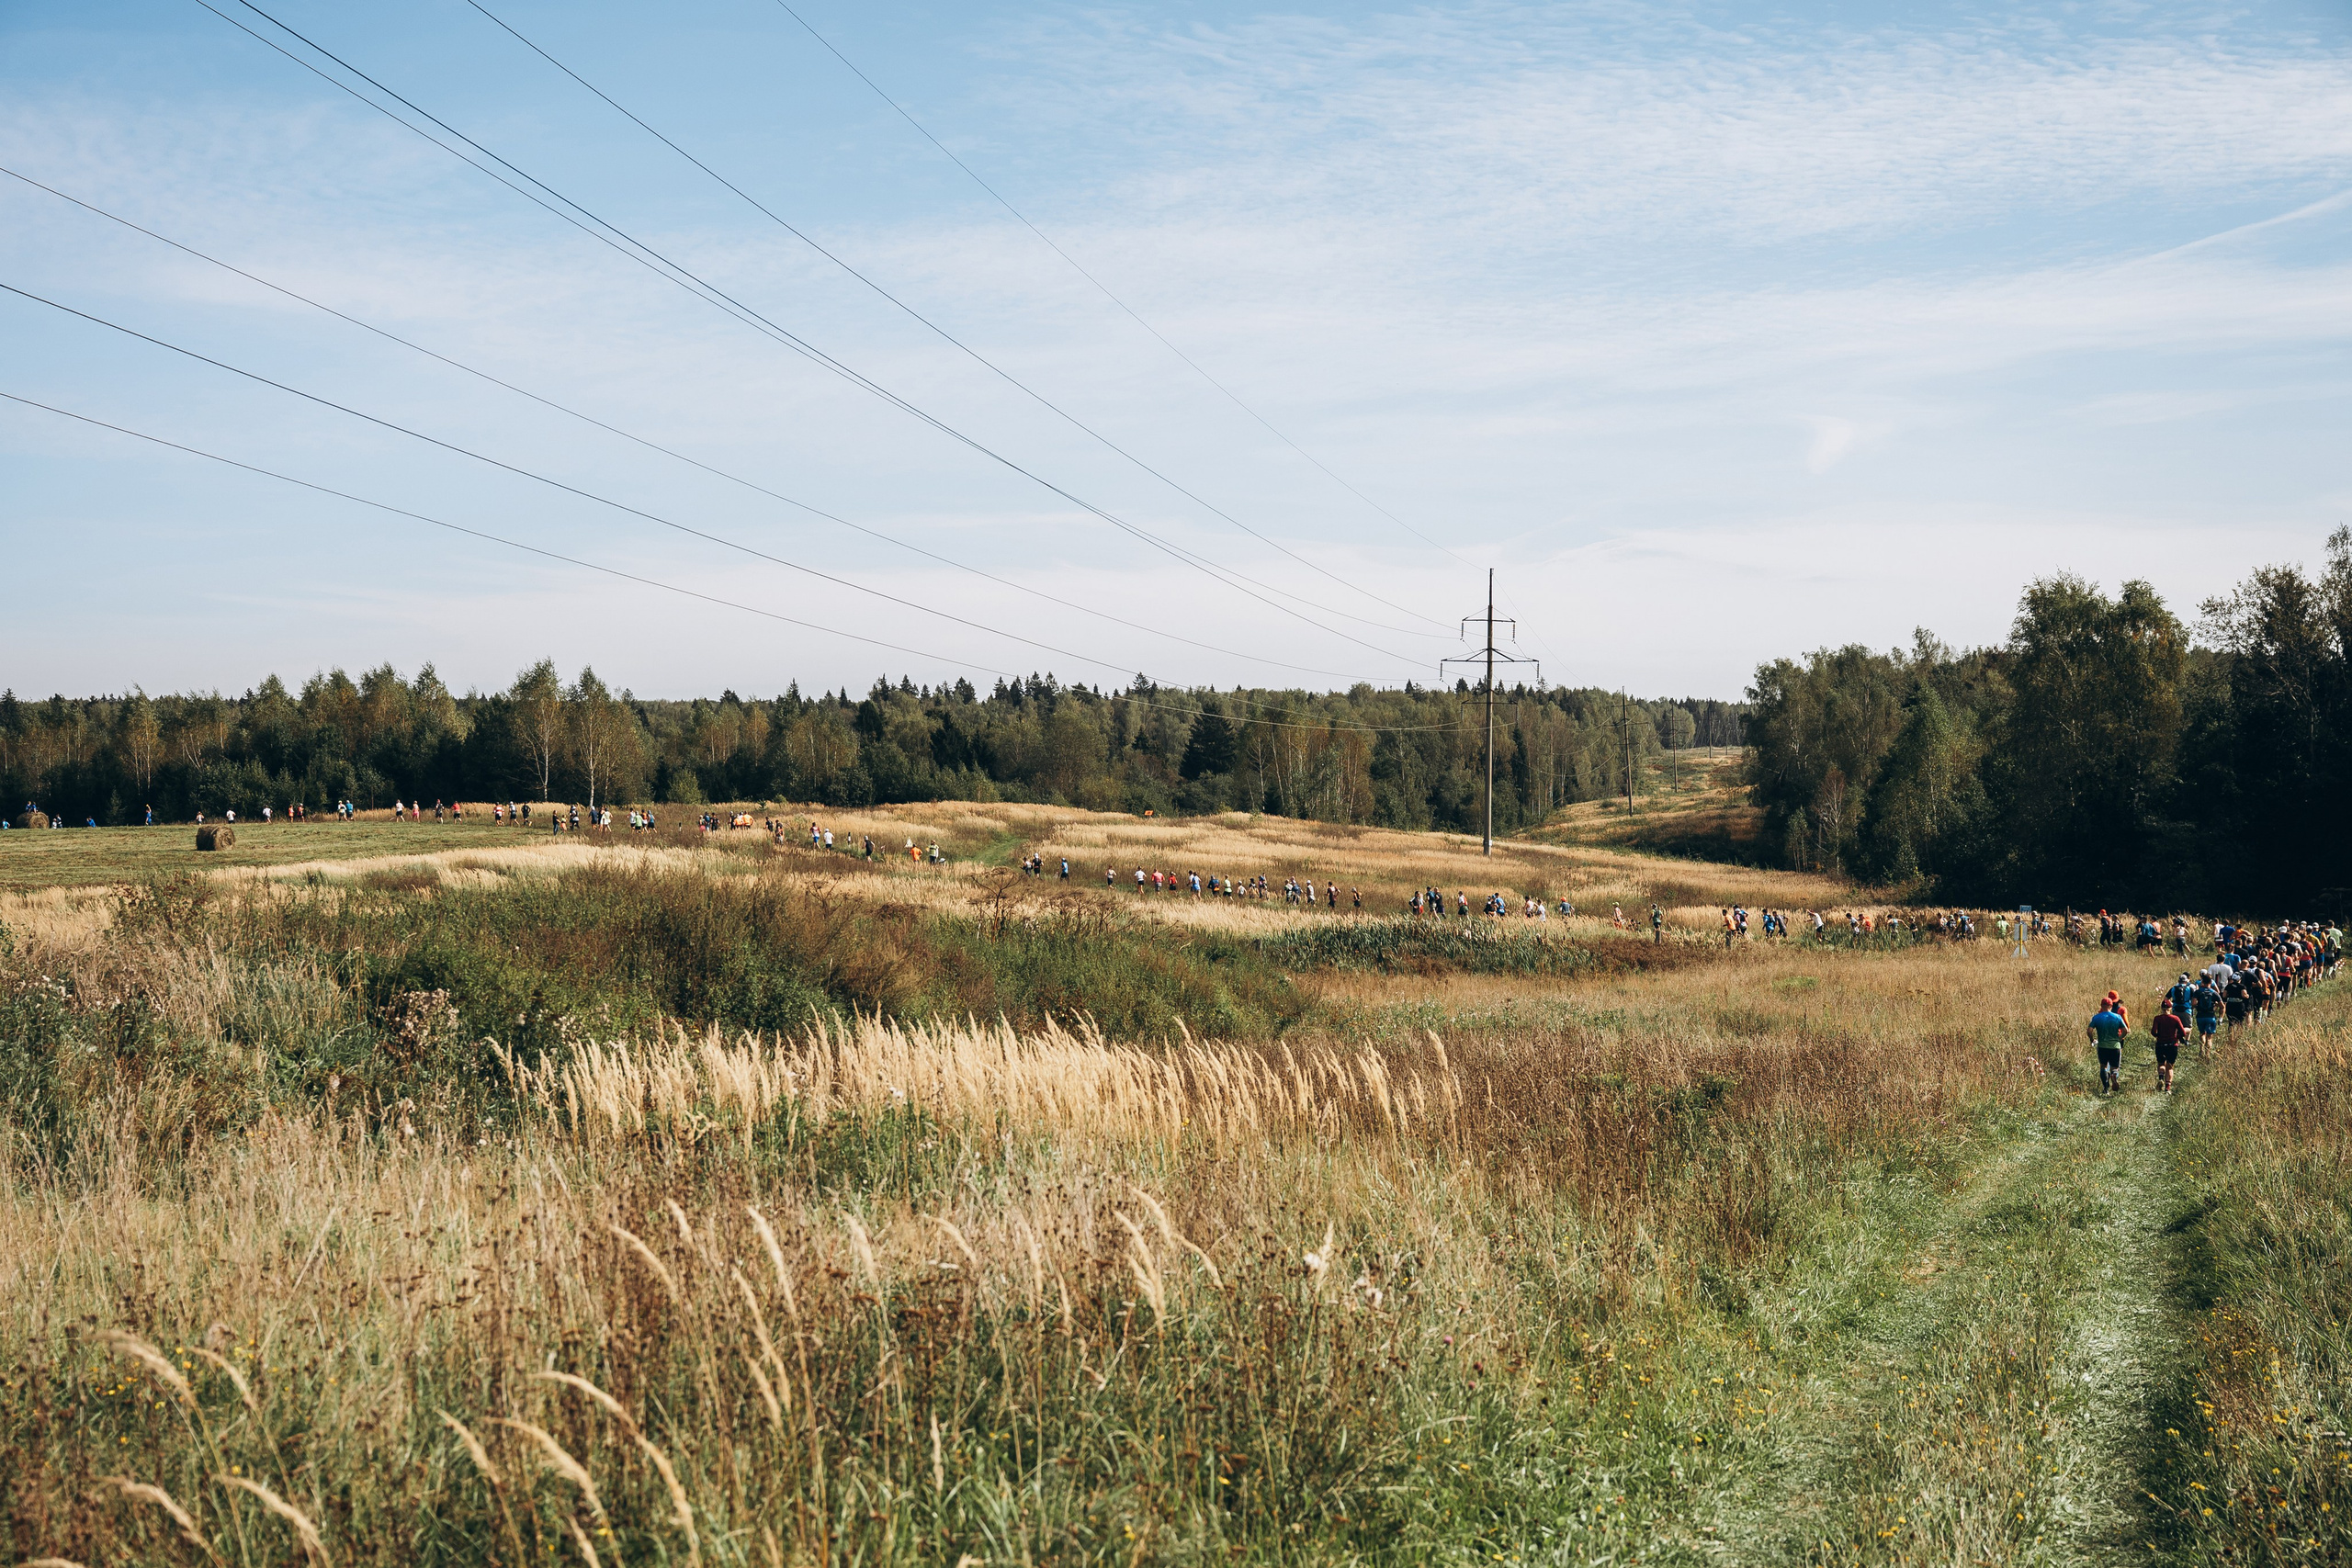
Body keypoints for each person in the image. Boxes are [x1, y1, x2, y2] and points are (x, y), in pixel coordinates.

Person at [2087, 998, 2129, 1094]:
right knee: (2114, 1067)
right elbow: (2125, 1030)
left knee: (2103, 1066)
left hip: (2102, 1046)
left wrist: (2092, 1039)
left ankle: (2105, 1088)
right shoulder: (2117, 1017)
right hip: (2115, 1046)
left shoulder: (2096, 1017)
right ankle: (2114, 1075)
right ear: (2111, 1006)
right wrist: (2120, 1038)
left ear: (2101, 1006)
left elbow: (2089, 1031)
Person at [2150, 1006, 2186, 1092]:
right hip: (2172, 1045)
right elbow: (2183, 1033)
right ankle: (2167, 1087)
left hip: (2160, 1045)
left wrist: (2158, 1036)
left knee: (2161, 1064)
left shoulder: (2157, 1018)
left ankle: (2161, 1078)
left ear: (2161, 1009)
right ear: (2171, 1008)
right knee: (2169, 1067)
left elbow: (2153, 1032)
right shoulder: (2175, 1018)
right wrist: (2177, 1037)